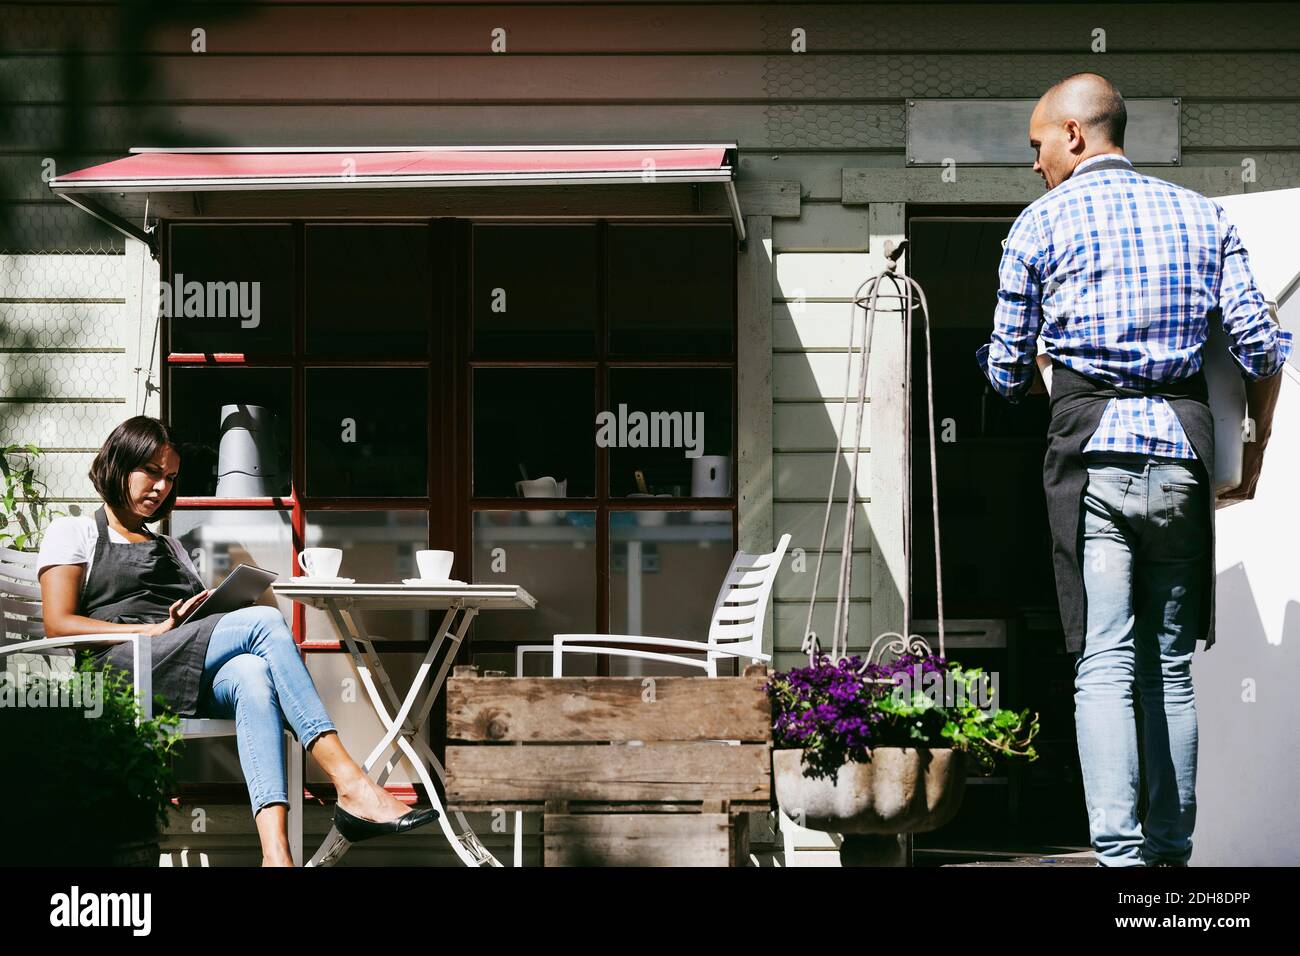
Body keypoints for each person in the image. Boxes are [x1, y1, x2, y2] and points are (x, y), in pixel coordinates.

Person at [975, 73, 1293, 867]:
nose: (1034, 163)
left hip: (1092, 460)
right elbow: (1264, 349)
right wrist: (1245, 463)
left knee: (1104, 661)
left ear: (1075, 136)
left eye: (1037, 144)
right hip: (1183, 458)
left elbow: (1008, 374)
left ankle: (1117, 862)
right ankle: (1169, 858)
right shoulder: (1203, 215)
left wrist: (1031, 361)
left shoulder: (1038, 226)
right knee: (1170, 671)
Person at [37, 415, 439, 866]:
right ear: (117, 464)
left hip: (176, 663)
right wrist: (153, 630)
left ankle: (276, 856)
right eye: (151, 472)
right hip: (121, 669)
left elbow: (188, 623)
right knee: (264, 619)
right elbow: (59, 624)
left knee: (252, 675)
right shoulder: (73, 532)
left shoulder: (168, 547)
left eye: (170, 477)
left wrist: (203, 610)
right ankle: (352, 784)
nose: (161, 487)